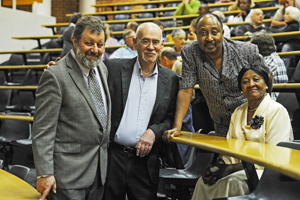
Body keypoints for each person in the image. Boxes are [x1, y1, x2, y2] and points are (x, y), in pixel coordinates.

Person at [32, 16, 111, 200]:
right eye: (89, 43)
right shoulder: (55, 75)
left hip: (99, 174)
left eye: (100, 44)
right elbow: (43, 129)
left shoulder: (102, 69)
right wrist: (44, 173)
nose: (95, 50)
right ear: (75, 41)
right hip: (67, 177)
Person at [191, 64, 293, 200]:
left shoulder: (277, 111)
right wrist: (220, 166)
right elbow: (229, 149)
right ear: (241, 89)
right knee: (204, 182)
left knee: (233, 182)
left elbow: (275, 156)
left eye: (256, 80)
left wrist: (232, 169)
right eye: (245, 82)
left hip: (266, 172)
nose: (251, 84)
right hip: (237, 169)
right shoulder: (238, 112)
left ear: (266, 84)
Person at [163, 13, 271, 140]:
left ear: (223, 33)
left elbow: (267, 77)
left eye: (214, 32)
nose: (209, 38)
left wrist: (265, 109)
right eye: (203, 33)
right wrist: (177, 126)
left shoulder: (246, 51)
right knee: (226, 159)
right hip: (222, 124)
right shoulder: (190, 52)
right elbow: (186, 90)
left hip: (253, 120)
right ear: (196, 35)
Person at [103, 22, 180, 200]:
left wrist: (154, 131)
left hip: (146, 162)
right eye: (145, 41)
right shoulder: (113, 68)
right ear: (135, 43)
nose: (150, 47)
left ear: (162, 44)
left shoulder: (172, 80)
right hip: (113, 158)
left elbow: (171, 120)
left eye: (155, 42)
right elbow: (88, 79)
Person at [250, 32, 288, 101]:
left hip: (271, 100)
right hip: (277, 98)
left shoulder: (267, 62)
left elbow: (258, 84)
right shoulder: (274, 56)